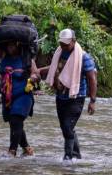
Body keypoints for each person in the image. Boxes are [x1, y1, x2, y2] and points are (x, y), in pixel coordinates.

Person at [39, 29, 98, 161]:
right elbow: (53, 67)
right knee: (66, 127)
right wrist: (39, 70)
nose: (64, 46)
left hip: (76, 96)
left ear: (74, 41)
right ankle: (77, 155)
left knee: (67, 126)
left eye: (66, 44)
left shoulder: (84, 57)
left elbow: (92, 80)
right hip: (61, 95)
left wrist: (92, 101)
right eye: (61, 43)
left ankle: (68, 157)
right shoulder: (60, 53)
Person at [0, 27, 40, 157]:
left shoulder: (26, 59)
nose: (10, 48)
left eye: (12, 45)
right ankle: (27, 149)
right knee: (14, 123)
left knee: (16, 120)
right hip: (8, 96)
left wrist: (33, 77)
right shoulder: (3, 55)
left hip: (23, 95)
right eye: (8, 45)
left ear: (18, 45)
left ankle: (12, 151)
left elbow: (36, 74)